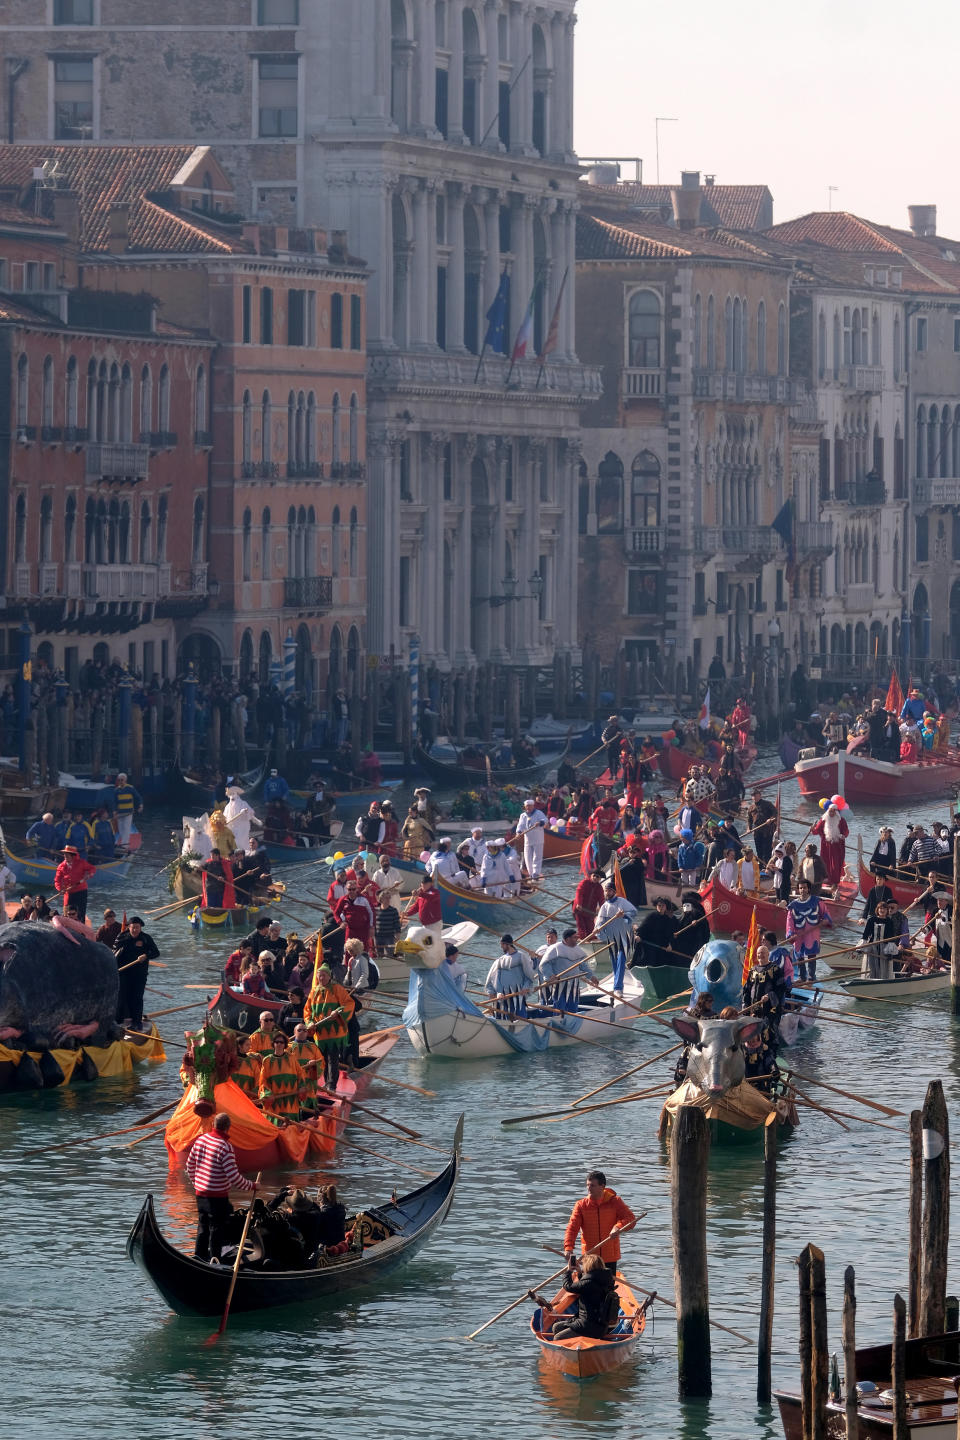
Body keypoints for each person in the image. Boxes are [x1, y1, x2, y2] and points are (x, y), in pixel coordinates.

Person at [185, 1112, 257, 1263]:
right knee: (216, 1230)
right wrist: (253, 1186)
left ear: (213, 1125)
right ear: (228, 1128)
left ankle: (199, 1257)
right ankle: (214, 1261)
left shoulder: (201, 1140)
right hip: (217, 1197)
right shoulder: (225, 1147)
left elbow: (189, 1165)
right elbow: (235, 1178)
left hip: (201, 1194)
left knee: (203, 1227)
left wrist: (197, 1183)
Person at [532, 1253, 619, 1340]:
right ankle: (574, 1344)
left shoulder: (588, 1283)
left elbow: (568, 1286)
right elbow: (587, 1285)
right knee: (557, 1327)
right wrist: (580, 1272)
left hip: (588, 1326)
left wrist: (569, 1271)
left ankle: (566, 1350)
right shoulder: (606, 1281)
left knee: (558, 1337)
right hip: (601, 1326)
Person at [563, 1170, 636, 1273]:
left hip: (610, 1256)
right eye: (587, 1185)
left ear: (602, 1186)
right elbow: (572, 1228)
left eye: (592, 1185)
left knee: (608, 1287)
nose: (588, 1188)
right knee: (590, 1286)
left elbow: (631, 1219)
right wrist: (568, 1248)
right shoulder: (581, 1205)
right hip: (590, 1257)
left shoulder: (615, 1201)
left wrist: (618, 1227)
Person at [305, 963, 355, 1089]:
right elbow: (307, 1011)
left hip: (335, 1031)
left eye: (324, 975)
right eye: (319, 976)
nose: (321, 978)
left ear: (329, 976)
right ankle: (325, 1082)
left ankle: (331, 1085)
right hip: (320, 1033)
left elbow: (349, 1003)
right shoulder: (313, 992)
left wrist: (338, 1012)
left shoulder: (337, 988)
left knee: (332, 1059)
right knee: (322, 1060)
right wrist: (310, 1023)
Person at [114, 917, 160, 1030]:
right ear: (129, 927)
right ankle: (118, 1021)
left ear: (140, 928)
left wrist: (146, 956)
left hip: (139, 974)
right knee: (121, 997)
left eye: (137, 928)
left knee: (137, 998)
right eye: (133, 927)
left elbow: (156, 952)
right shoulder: (122, 937)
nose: (135, 930)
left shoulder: (146, 938)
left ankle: (137, 1022)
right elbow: (114, 952)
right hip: (123, 973)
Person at [786, 878, 833, 983]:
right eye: (801, 888)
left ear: (808, 889)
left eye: (805, 888)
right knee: (799, 955)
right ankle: (802, 978)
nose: (803, 890)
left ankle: (811, 977)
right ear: (798, 889)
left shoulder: (816, 901)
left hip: (812, 932)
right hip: (798, 933)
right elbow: (790, 921)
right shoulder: (793, 905)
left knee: (812, 954)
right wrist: (790, 934)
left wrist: (826, 920)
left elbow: (825, 913)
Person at [538, 929, 595, 1012]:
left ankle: (572, 1021)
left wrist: (591, 976)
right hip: (560, 982)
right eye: (575, 937)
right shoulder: (555, 948)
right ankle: (559, 1023)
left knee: (573, 1006)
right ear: (568, 939)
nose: (577, 939)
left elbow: (583, 965)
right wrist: (550, 975)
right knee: (559, 1007)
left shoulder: (577, 949)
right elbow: (544, 964)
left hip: (574, 982)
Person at [258, 1029, 306, 1125]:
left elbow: (300, 1075)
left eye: (282, 1042)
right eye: (277, 1042)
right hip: (274, 1101)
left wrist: (301, 1087)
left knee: (291, 1125)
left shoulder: (292, 1058)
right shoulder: (267, 1060)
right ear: (273, 1044)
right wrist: (267, 1094)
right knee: (274, 1124)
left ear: (285, 1044)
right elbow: (263, 1081)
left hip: (290, 1101)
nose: (279, 1044)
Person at [484, 936, 536, 1017]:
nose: (501, 946)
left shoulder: (521, 956)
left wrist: (525, 987)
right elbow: (495, 977)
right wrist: (499, 991)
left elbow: (529, 975)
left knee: (520, 1015)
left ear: (507, 944)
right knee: (504, 1015)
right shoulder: (500, 960)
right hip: (504, 995)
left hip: (518, 992)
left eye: (502, 944)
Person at [53, 845, 96, 921]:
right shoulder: (61, 866)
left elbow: (92, 868)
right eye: (64, 854)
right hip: (68, 892)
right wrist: (60, 889)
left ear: (73, 856)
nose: (65, 856)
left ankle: (81, 928)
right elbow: (57, 880)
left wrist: (89, 874)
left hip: (81, 891)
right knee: (67, 912)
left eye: (67, 854)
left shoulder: (81, 863)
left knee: (80, 913)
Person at [811, 804, 848, 887]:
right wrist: (812, 829)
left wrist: (843, 835)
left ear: (836, 812)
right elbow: (816, 830)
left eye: (833, 811)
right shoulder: (823, 820)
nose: (831, 813)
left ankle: (834, 881)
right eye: (830, 811)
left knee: (835, 864)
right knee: (825, 862)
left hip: (837, 846)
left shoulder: (841, 820)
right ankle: (826, 879)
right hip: (826, 846)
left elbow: (846, 831)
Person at [333, 879, 376, 950]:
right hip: (350, 930)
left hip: (363, 929)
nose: (352, 891)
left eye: (353, 889)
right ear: (347, 889)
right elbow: (336, 913)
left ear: (357, 889)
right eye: (349, 889)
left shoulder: (364, 899)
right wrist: (340, 922)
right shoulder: (343, 900)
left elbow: (371, 912)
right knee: (349, 950)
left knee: (363, 950)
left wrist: (372, 927)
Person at [635, 896, 677, 967]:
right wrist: (639, 936)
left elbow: (669, 933)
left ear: (666, 907)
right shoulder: (651, 916)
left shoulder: (668, 919)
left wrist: (670, 944)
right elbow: (643, 928)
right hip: (649, 943)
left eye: (663, 906)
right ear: (656, 906)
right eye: (659, 905)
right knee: (649, 961)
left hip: (661, 945)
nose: (661, 907)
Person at [516, 797, 548, 881]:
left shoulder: (538, 813)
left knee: (537, 856)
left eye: (530, 806)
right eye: (527, 806)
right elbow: (520, 825)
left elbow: (545, 819)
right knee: (527, 857)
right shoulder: (523, 815)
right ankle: (531, 873)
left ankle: (536, 873)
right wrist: (518, 832)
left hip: (538, 838)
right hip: (528, 839)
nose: (528, 807)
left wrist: (540, 822)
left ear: (533, 806)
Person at [109, 772, 143, 847]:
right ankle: (122, 842)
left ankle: (124, 844)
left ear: (125, 780)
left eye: (122, 780)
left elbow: (138, 797)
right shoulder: (116, 790)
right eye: (119, 780)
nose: (120, 781)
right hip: (120, 813)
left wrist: (140, 805)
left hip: (128, 812)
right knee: (121, 829)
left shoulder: (130, 788)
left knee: (126, 828)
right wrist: (114, 811)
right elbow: (114, 802)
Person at [747, 791, 778, 867]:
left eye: (756, 795)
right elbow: (749, 820)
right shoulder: (751, 808)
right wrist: (749, 828)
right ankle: (760, 865)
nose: (754, 797)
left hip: (767, 830)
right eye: (753, 796)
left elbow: (775, 813)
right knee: (759, 849)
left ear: (760, 796)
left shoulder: (767, 804)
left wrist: (770, 819)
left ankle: (767, 865)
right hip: (757, 830)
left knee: (766, 849)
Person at [374, 889, 403, 956]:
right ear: (381, 899)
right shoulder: (375, 910)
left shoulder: (393, 910)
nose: (388, 900)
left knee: (390, 955)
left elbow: (397, 925)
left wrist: (397, 936)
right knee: (379, 956)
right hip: (378, 937)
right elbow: (374, 924)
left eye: (389, 898)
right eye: (386, 898)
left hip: (389, 937)